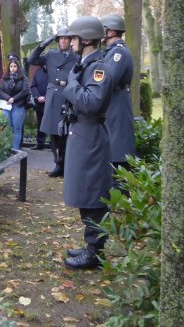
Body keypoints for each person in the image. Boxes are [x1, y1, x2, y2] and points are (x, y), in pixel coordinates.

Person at [61, 16, 115, 270]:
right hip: (82, 132)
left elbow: (91, 102)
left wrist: (70, 85)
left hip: (91, 134)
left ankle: (95, 251)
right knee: (85, 191)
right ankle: (90, 245)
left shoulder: (98, 67)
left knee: (92, 194)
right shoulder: (85, 65)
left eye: (73, 38)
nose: (69, 42)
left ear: (85, 39)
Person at [28, 27, 78, 177]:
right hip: (54, 95)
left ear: (70, 40)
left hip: (68, 94)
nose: (63, 40)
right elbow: (32, 60)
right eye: (60, 38)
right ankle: (57, 163)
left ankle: (66, 164)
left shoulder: (76, 57)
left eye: (66, 38)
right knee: (54, 132)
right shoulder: (51, 54)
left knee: (67, 132)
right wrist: (44, 43)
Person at [101, 14, 136, 193]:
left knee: (118, 147)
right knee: (112, 146)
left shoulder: (118, 53)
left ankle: (120, 193)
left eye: (104, 28)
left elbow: (109, 79)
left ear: (112, 31)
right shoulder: (110, 52)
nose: (102, 32)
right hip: (113, 103)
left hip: (117, 103)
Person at [0, 55, 30, 150]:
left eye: (14, 66)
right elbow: (0, 91)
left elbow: (25, 90)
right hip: (6, 105)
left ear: (18, 67)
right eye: (11, 66)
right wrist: (8, 98)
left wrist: (14, 99)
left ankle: (15, 150)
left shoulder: (23, 78)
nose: (13, 68)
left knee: (17, 129)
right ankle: (6, 149)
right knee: (6, 128)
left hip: (18, 105)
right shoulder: (5, 78)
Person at [28, 64, 48, 150]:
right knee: (41, 123)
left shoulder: (54, 72)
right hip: (39, 102)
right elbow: (33, 86)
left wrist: (47, 97)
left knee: (53, 122)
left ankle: (54, 143)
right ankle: (40, 143)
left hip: (51, 102)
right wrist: (37, 96)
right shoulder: (38, 73)